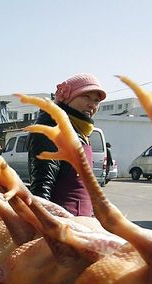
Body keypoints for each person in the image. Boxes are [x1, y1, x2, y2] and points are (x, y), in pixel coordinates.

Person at [27, 72, 106, 215]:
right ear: (68, 98)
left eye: (96, 101)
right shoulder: (52, 130)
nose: (91, 105)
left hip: (82, 221)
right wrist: (46, 225)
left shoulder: (80, 132)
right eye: (85, 97)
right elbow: (42, 185)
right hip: (63, 223)